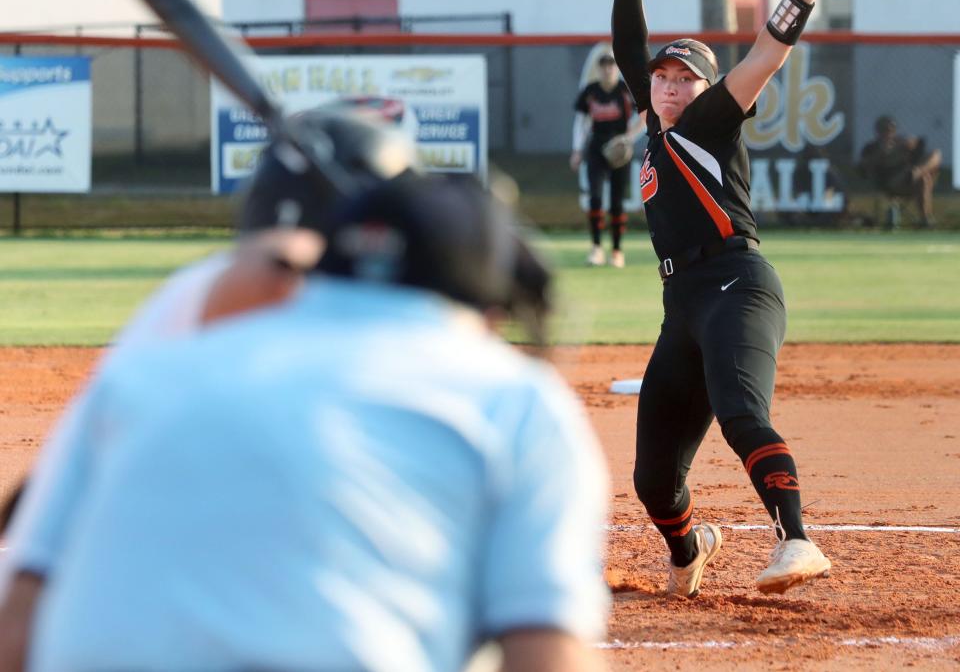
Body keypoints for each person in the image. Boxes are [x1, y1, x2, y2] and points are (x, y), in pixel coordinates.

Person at [0, 170, 610, 672]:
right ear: (492, 308)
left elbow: (19, 624)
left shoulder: (149, 371)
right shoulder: (510, 395)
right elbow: (546, 653)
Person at [612, 0, 870, 599]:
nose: (667, 85)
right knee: (652, 477)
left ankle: (796, 540)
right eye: (661, 77)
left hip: (737, 286)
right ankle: (689, 546)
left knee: (740, 409)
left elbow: (767, 52)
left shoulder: (709, 123)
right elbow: (627, 43)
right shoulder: (656, 127)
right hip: (682, 305)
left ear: (705, 88)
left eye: (683, 77)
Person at [570, 50, 645, 268]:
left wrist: (628, 138)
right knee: (595, 197)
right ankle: (595, 249)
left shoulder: (624, 90)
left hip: (619, 152)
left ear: (617, 67)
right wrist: (576, 150)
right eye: (603, 64)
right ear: (599, 68)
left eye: (611, 64)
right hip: (596, 148)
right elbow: (581, 122)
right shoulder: (591, 91)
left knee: (616, 201)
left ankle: (617, 250)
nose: (607, 68)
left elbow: (645, 116)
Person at [859, 115, 942, 228]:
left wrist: (911, 145)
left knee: (934, 157)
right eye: (884, 129)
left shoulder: (902, 143)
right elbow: (863, 168)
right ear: (877, 131)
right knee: (922, 179)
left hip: (912, 177)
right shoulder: (871, 147)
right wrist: (883, 153)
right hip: (891, 182)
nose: (888, 132)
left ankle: (925, 220)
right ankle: (925, 218)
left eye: (891, 129)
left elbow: (928, 154)